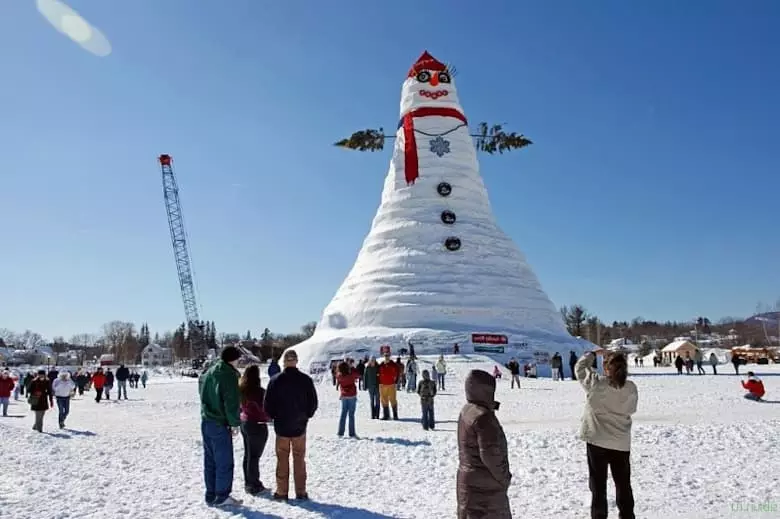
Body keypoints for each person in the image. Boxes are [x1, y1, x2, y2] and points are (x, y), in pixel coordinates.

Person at [575, 349, 638, 519]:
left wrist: (592, 354)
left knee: (598, 487)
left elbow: (580, 368)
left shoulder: (597, 384)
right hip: (621, 442)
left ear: (606, 368)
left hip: (597, 441)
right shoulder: (631, 387)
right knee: (623, 485)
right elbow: (632, 409)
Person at [456, 369, 511, 519]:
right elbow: (491, 454)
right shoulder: (483, 417)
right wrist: (504, 477)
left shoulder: (467, 410)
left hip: (469, 483)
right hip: (485, 490)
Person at [264, 349, 318, 501]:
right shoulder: (306, 380)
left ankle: (282, 492)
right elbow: (313, 403)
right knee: (299, 459)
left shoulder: (275, 380)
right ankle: (301, 491)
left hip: (282, 427)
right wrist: (306, 416)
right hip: (300, 427)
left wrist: (275, 417)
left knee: (282, 460)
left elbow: (267, 405)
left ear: (284, 362)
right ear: (296, 361)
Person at [199, 346, 243, 507]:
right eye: (238, 359)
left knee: (210, 461)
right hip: (220, 422)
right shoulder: (228, 375)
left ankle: (211, 494)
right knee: (224, 461)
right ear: (233, 359)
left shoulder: (210, 371)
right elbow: (231, 400)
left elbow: (201, 390)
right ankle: (222, 495)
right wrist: (234, 423)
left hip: (206, 420)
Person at [238, 364, 271, 496]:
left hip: (245, 423)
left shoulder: (242, 390)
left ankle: (248, 481)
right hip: (257, 425)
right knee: (254, 456)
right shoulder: (259, 392)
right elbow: (265, 410)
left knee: (248, 455)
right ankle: (253, 483)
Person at [336, 360, 359, 438]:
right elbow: (357, 374)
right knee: (351, 415)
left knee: (343, 414)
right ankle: (352, 433)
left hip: (344, 396)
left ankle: (340, 432)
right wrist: (352, 367)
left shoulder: (339, 376)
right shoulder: (351, 374)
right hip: (352, 395)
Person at [378, 349, 399, 420]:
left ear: (390, 356)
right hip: (383, 385)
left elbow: (398, 373)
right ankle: (386, 415)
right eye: (385, 355)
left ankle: (395, 415)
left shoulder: (393, 364)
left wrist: (396, 381)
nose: (386, 357)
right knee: (384, 400)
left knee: (393, 399)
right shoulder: (381, 365)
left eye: (388, 355)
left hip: (391, 385)